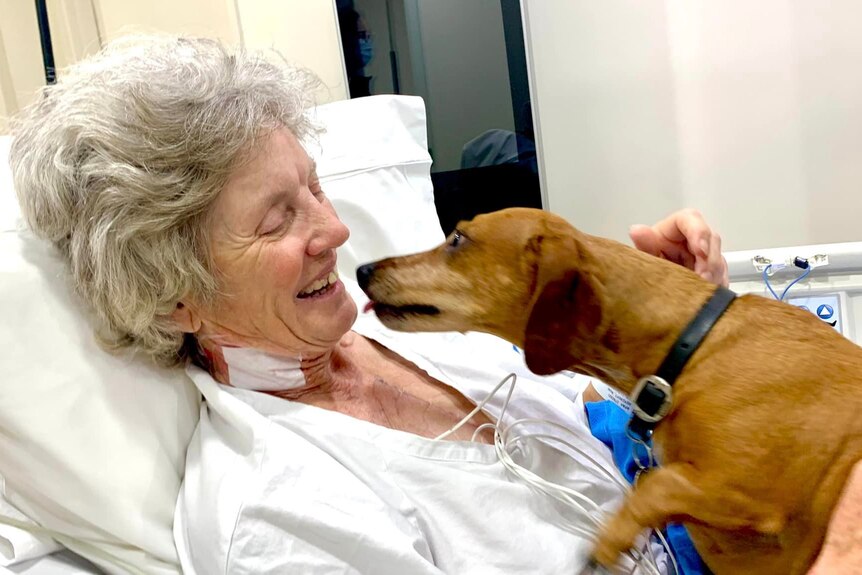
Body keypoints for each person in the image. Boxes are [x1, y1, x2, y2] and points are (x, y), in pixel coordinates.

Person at [18, 34, 851, 575]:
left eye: (316, 189)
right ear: (175, 299)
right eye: (280, 216)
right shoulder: (276, 520)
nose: (335, 228)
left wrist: (663, 328)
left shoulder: (442, 341)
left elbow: (637, 432)